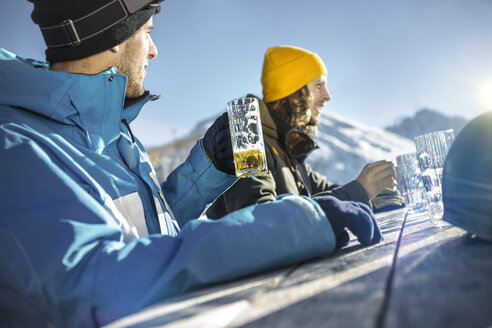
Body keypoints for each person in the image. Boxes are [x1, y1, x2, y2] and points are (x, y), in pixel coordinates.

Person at [0, 2, 382, 327]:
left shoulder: (112, 133)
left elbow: (145, 240)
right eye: (147, 31)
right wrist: (301, 222)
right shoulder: (17, 148)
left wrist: (208, 169)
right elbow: (96, 284)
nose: (153, 50)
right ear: (115, 36)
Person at [207, 45, 398, 220]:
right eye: (318, 85)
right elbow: (259, 219)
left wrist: (371, 195)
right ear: (294, 90)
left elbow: (321, 191)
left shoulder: (286, 143)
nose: (327, 96)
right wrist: (358, 192)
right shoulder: (244, 136)